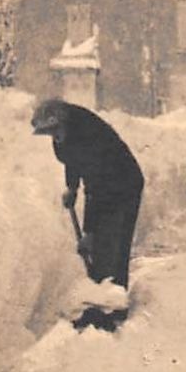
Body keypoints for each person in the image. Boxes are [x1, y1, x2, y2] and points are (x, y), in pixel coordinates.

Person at [30, 99, 145, 331]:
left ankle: (112, 308)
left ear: (61, 122)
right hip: (103, 184)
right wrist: (71, 188)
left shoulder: (88, 134)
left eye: (53, 131)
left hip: (124, 183)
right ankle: (101, 302)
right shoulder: (66, 133)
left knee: (113, 243)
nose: (52, 137)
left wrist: (90, 232)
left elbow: (96, 187)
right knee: (103, 243)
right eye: (47, 134)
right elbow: (72, 162)